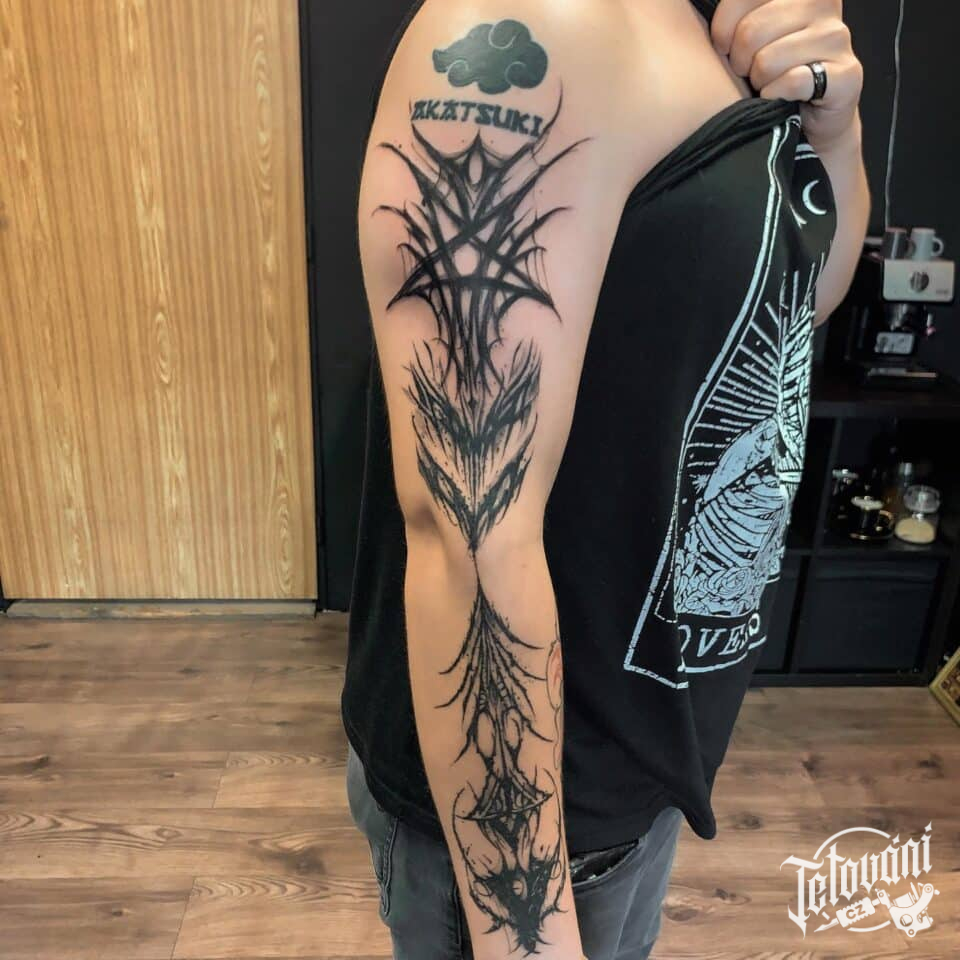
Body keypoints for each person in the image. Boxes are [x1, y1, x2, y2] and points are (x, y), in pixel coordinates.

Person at [341, 1, 869, 958]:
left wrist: (834, 133)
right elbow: (468, 532)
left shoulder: (711, 29)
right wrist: (527, 937)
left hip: (642, 754)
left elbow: (802, 291)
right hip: (532, 813)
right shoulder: (537, 27)